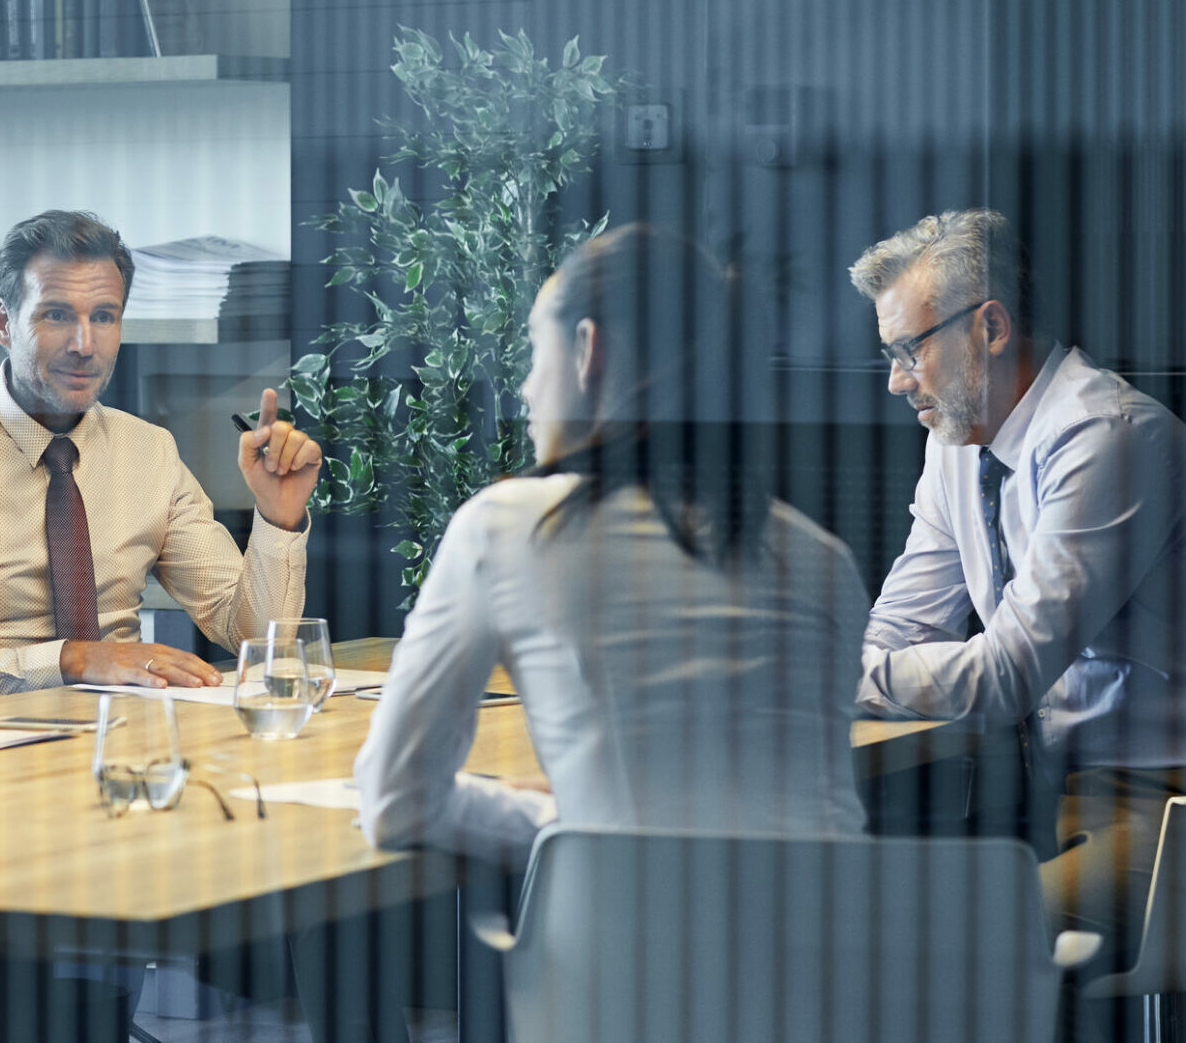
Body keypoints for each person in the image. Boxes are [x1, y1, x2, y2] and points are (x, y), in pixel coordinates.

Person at [356, 224, 869, 865]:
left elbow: (397, 801)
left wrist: (567, 818)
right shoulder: (825, 559)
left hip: (635, 928)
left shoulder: (510, 527)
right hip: (837, 924)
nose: (526, 389)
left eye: (534, 351)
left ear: (587, 349)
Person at [850, 208, 1186, 959]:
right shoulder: (955, 441)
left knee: (933, 942)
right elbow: (902, 625)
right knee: (875, 915)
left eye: (910, 350)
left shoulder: (1106, 437)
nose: (896, 381)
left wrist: (841, 674)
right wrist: (863, 664)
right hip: (1059, 797)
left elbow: (1007, 674)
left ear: (991, 327)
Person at [0, 210, 322, 700]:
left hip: (124, 733)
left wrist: (278, 517)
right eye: (56, 315)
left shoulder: (149, 452)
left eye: (103, 317)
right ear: (4, 324)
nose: (84, 344)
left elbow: (253, 636)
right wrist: (73, 661)